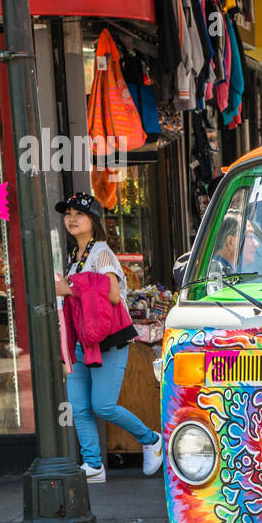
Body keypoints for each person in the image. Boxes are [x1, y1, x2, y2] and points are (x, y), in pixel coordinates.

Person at [53, 192, 162, 483]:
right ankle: (93, 465)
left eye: (79, 213)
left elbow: (112, 294)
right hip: (81, 341)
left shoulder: (101, 252)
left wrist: (70, 289)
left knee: (102, 405)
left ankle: (151, 439)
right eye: (68, 214)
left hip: (109, 340)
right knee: (79, 406)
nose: (72, 219)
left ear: (94, 220)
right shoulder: (73, 257)